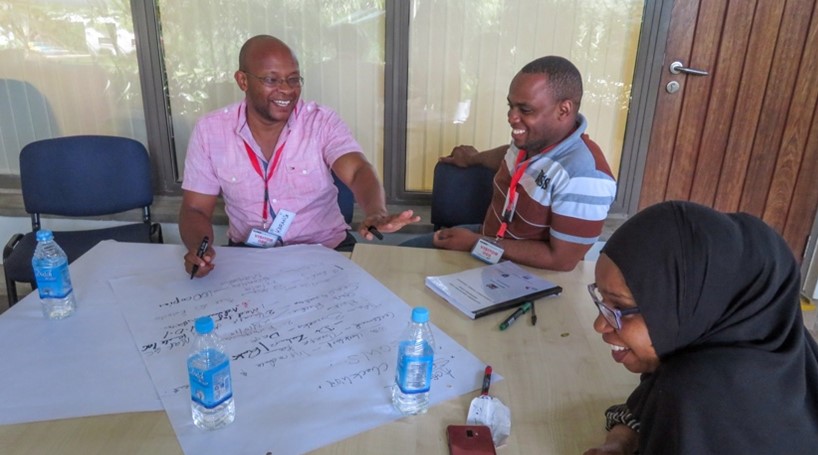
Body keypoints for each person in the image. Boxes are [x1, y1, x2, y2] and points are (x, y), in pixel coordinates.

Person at [584, 201, 818, 454]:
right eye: (601, 299)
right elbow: (650, 400)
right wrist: (621, 441)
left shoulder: (699, 395)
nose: (599, 325)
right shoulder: (770, 347)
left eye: (619, 306)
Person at [180, 35, 419, 278]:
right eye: (271, 80)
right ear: (243, 80)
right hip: (250, 256)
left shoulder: (321, 121)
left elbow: (358, 170)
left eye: (293, 79)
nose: (286, 89)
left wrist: (376, 211)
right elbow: (195, 208)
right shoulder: (211, 130)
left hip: (326, 251)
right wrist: (201, 251)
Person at [401, 56, 616, 271]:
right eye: (511, 106)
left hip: (527, 271)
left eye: (525, 110)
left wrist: (475, 244)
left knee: (413, 278)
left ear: (564, 110)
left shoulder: (585, 176)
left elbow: (560, 260)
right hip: (489, 239)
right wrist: (473, 158)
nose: (511, 117)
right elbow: (509, 155)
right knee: (398, 258)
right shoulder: (532, 141)